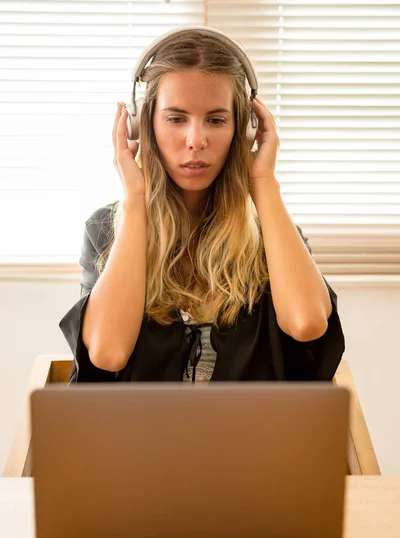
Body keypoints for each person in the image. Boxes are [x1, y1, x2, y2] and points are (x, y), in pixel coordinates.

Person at [59, 27, 345, 384]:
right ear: (142, 126)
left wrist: (264, 184)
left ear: (245, 130)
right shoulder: (104, 228)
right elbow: (108, 351)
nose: (196, 140)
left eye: (216, 120)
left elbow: (307, 323)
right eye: (176, 118)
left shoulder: (272, 232)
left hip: (250, 436)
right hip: (139, 437)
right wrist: (135, 200)